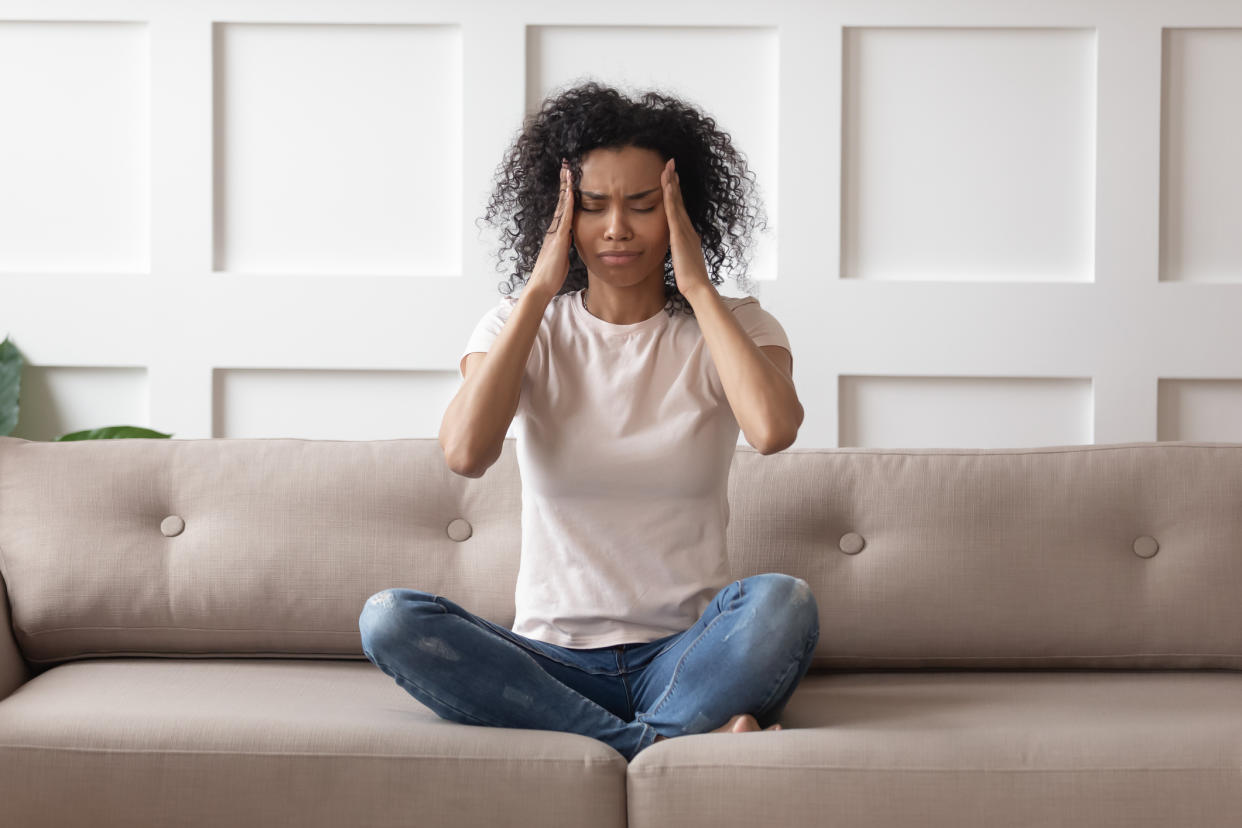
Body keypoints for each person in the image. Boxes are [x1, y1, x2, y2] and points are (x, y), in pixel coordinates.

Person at [359, 80, 819, 762]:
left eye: (643, 206)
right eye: (593, 207)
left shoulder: (739, 325)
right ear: (558, 215)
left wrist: (696, 287)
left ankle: (619, 739)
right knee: (390, 618)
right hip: (552, 659)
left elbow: (773, 431)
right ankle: (665, 745)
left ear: (682, 212)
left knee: (784, 601)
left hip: (686, 655)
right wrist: (540, 290)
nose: (616, 230)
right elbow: (464, 452)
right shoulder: (515, 326)